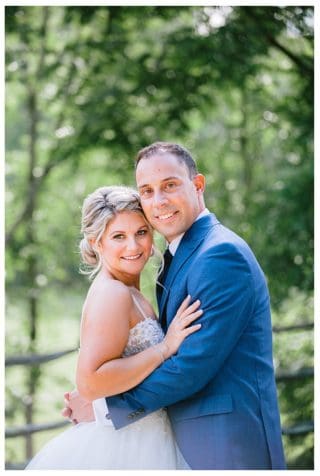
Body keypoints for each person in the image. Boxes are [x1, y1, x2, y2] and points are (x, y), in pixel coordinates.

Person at [63, 143, 286, 469]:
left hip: (227, 444)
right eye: (147, 191)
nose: (159, 201)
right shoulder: (180, 257)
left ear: (197, 185)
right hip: (184, 444)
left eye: (169, 185)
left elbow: (191, 367)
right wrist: (101, 390)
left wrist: (105, 408)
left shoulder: (219, 255)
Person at [26, 186, 202, 469]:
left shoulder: (130, 291)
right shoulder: (113, 294)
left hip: (148, 434)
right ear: (97, 242)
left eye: (141, 233)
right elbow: (91, 381)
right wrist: (165, 348)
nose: (133, 247)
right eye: (118, 236)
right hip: (128, 446)